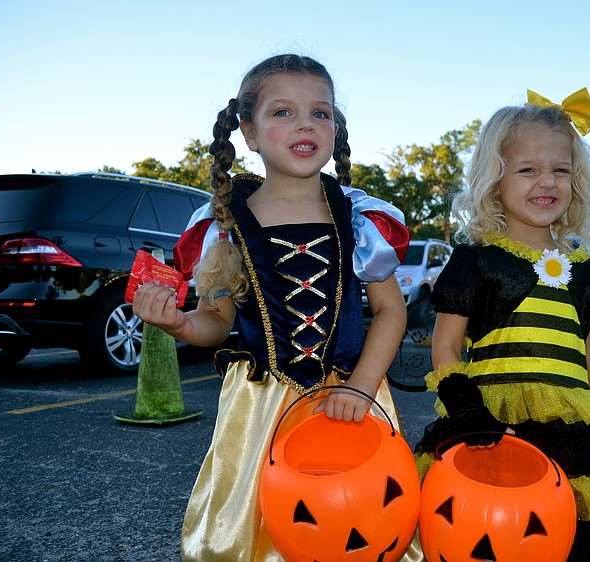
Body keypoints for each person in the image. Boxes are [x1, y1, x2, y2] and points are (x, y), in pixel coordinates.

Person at [132, 54, 422, 562]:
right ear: (249, 132)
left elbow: (391, 312)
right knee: (264, 526)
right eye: (283, 112)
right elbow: (216, 322)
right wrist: (178, 323)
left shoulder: (359, 218)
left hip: (350, 399)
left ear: (335, 129)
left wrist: (361, 386)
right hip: (260, 409)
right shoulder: (224, 224)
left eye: (320, 113)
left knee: (356, 521)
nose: (305, 123)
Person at [414, 88, 590, 561]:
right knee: (486, 536)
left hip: (570, 433)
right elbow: (446, 346)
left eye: (560, 170)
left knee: (563, 539)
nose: (546, 182)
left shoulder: (582, 267)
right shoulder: (477, 260)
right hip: (488, 428)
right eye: (528, 170)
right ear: (495, 180)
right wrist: (467, 412)